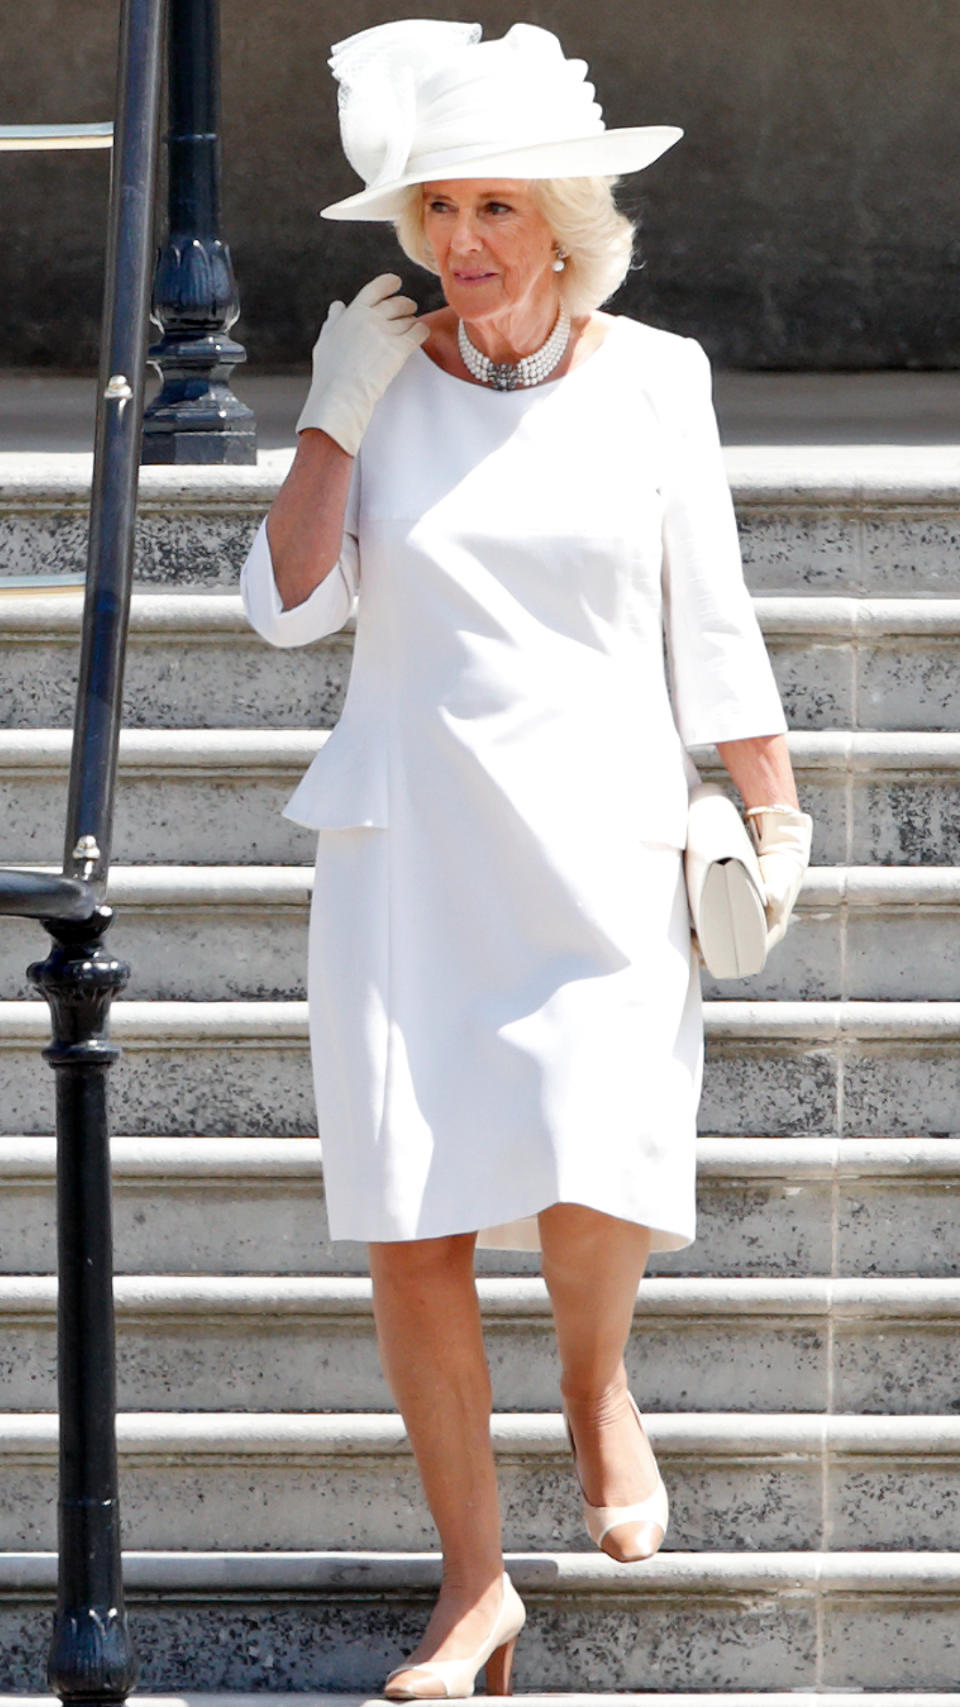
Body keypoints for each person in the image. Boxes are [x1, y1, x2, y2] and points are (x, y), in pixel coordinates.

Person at [240, 19, 813, 1699]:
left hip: (604, 835)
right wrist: (336, 418)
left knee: (589, 1165)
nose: (464, 243)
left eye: (496, 207)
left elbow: (709, 618)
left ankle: (594, 1382)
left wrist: (770, 808)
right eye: (437, 212)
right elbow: (280, 611)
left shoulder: (658, 378)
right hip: (412, 841)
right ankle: (473, 1583)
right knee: (413, 1224)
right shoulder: (383, 381)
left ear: (565, 222)